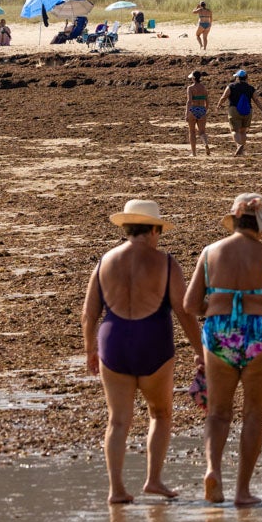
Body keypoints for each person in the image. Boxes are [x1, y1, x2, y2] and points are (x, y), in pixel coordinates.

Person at [82, 200, 202, 504]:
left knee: (118, 420)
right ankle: (153, 480)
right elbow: (184, 311)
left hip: (114, 340)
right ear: (153, 229)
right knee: (160, 414)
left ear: (127, 228)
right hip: (153, 340)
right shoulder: (166, 263)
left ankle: (117, 489)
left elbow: (88, 313)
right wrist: (201, 350)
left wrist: (90, 349)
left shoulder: (105, 261)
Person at [183, 193, 262, 506]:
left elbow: (190, 304)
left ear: (234, 220)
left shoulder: (210, 252)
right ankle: (242, 491)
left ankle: (213, 470)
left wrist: (217, 307)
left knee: (218, 412)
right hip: (259, 333)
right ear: (261, 225)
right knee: (254, 414)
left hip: (219, 331)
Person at [218, 69, 262, 156]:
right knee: (243, 131)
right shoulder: (250, 88)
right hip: (248, 111)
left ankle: (239, 145)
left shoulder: (231, 86)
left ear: (237, 77)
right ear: (246, 77)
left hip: (234, 110)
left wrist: (219, 104)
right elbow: (256, 100)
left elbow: (224, 97)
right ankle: (242, 150)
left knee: (234, 130)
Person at [185, 70, 211, 156]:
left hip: (193, 109)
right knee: (202, 132)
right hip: (202, 109)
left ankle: (194, 153)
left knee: (192, 132)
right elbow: (207, 101)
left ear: (193, 78)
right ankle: (205, 144)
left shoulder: (190, 88)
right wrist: (205, 110)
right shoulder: (204, 88)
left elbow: (189, 101)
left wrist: (186, 113)